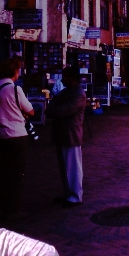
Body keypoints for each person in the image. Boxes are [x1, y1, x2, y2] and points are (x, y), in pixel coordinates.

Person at [0, 57, 34, 219]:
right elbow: (30, 110)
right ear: (15, 71)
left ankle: (2, 204)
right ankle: (12, 209)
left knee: (3, 171)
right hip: (15, 135)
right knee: (16, 173)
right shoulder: (15, 89)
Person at [46, 66, 87, 207]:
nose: (63, 79)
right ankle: (68, 193)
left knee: (73, 167)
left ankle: (75, 195)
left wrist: (54, 110)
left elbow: (63, 110)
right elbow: (51, 108)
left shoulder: (79, 94)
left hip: (71, 134)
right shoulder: (65, 92)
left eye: (66, 76)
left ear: (73, 78)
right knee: (65, 167)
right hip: (62, 133)